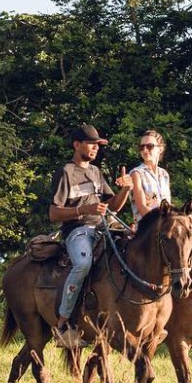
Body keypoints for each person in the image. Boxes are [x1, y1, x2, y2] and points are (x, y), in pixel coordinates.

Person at [49, 124, 128, 349]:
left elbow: (113, 206)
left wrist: (126, 190)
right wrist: (83, 210)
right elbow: (54, 213)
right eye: (91, 144)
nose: (95, 148)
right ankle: (63, 324)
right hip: (77, 230)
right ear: (77, 144)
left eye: (97, 145)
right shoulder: (66, 172)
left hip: (103, 227)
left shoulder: (95, 172)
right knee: (83, 264)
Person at [115, 129, 171, 223]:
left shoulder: (164, 174)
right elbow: (142, 207)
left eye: (150, 146)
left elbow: (167, 205)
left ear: (160, 149)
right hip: (146, 229)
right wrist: (162, 223)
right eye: (142, 147)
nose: (145, 150)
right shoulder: (136, 173)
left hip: (165, 228)